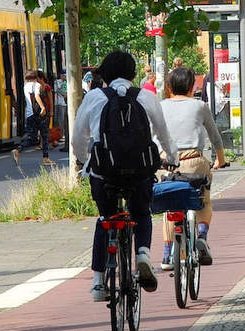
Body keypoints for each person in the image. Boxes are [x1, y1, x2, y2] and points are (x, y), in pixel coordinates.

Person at [72, 50, 179, 302]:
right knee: (141, 213)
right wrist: (172, 159)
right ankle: (142, 253)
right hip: (139, 172)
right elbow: (163, 134)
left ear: (105, 74)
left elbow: (78, 138)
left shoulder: (94, 98)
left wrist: (83, 160)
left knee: (105, 218)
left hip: (104, 172)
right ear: (133, 73)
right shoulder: (146, 97)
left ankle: (98, 282)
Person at [159, 66, 227, 270]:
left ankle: (166, 255)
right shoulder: (200, 106)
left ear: (169, 87)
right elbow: (215, 137)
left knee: (169, 205)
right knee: (203, 201)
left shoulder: (160, 106)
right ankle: (202, 236)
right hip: (194, 160)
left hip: (167, 163)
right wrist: (220, 159)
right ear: (191, 87)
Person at [12, 70, 51, 165]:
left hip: (29, 115)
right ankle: (45, 159)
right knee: (45, 136)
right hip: (39, 115)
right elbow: (37, 96)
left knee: (32, 137)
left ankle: (18, 149)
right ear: (35, 77)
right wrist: (43, 107)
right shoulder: (36, 85)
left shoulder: (25, 86)